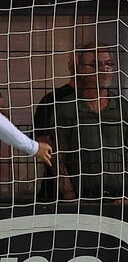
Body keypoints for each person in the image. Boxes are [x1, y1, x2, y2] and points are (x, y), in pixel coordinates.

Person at [53, 43, 128, 204]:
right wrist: (69, 195)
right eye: (96, 64)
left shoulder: (124, 109)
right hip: (80, 200)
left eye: (108, 64)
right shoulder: (67, 109)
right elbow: (57, 158)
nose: (104, 69)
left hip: (118, 201)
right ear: (80, 69)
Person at [33, 53, 76, 202]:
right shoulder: (51, 101)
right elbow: (46, 147)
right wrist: (67, 190)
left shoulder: (113, 102)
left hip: (104, 194)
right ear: (71, 66)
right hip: (55, 193)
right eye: (94, 64)